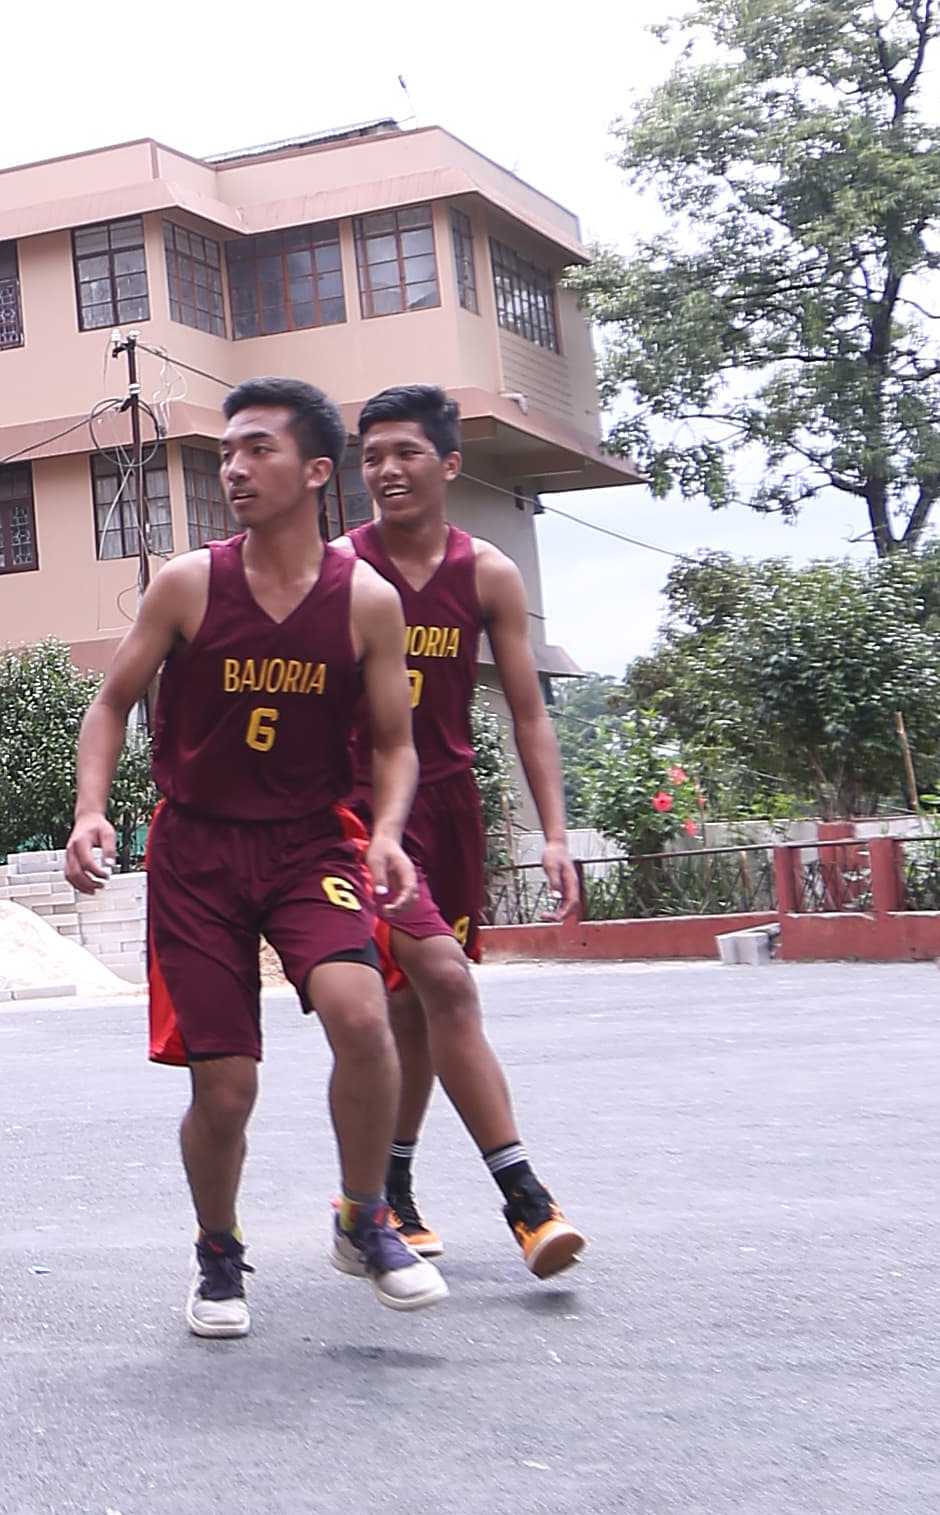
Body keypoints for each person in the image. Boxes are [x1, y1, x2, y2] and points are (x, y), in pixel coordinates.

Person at [64, 373, 441, 1325]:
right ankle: (219, 1253)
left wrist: (388, 832)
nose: (234, 468)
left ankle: (365, 1215)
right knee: (225, 1087)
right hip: (196, 853)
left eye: (257, 449)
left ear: (316, 471)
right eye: (227, 452)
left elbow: (396, 744)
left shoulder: (367, 602)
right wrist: (90, 809)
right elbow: (109, 704)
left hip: (310, 841)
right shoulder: (190, 584)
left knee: (363, 1017)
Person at [350, 382, 589, 1278]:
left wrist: (553, 832)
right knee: (444, 985)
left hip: (452, 807)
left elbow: (528, 712)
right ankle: (527, 1199)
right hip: (363, 814)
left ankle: (391, 1188)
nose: (387, 470)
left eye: (406, 452)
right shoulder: (344, 567)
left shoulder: (487, 571)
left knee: (418, 1003)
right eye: (372, 456)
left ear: (449, 464)